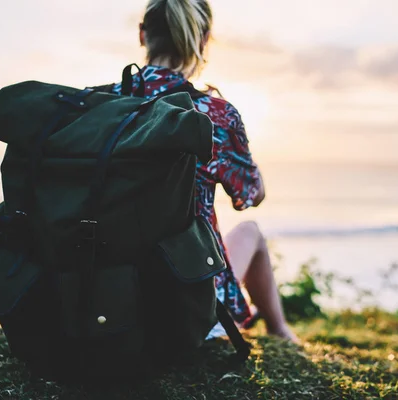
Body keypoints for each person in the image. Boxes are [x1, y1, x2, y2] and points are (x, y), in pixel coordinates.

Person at [115, 0, 297, 343]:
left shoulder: (102, 106)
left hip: (100, 297)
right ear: (203, 42)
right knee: (251, 232)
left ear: (142, 35)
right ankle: (281, 332)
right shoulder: (212, 113)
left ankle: (279, 330)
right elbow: (251, 195)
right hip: (187, 308)